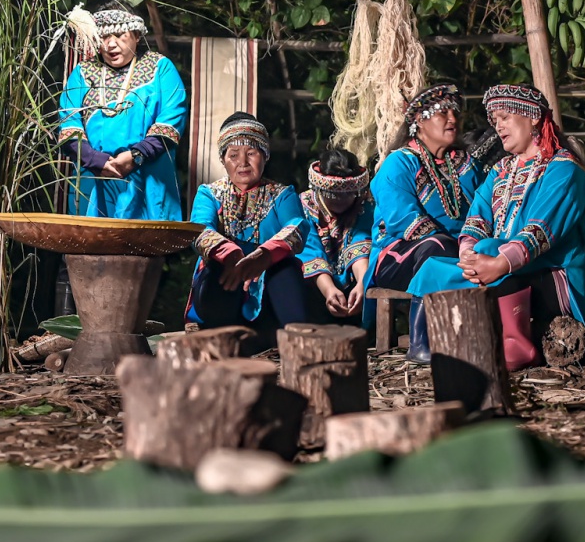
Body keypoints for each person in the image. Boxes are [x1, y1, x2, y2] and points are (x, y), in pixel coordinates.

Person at [408, 84, 585, 371]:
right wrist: (468, 253)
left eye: (504, 118)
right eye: (495, 120)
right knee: (434, 265)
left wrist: (498, 262)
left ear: (533, 116)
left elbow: (539, 233)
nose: (498, 127)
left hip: (555, 277)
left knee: (489, 248)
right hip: (503, 266)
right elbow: (477, 218)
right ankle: (423, 346)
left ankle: (518, 346)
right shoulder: (501, 171)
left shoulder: (564, 169)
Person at [367, 83, 493, 360]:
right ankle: (421, 340)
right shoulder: (398, 164)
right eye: (442, 113)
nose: (452, 119)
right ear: (419, 121)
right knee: (435, 247)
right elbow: (403, 221)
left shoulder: (466, 164)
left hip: (459, 249)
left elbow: (484, 210)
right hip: (399, 256)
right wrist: (459, 245)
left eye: (454, 112)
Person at [57, 2, 188, 222]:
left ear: (136, 35)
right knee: (90, 248)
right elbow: (69, 124)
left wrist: (135, 156)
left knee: (144, 249)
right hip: (95, 176)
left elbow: (171, 121)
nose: (110, 44)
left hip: (147, 176)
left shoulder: (160, 68)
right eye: (104, 37)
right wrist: (94, 159)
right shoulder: (83, 72)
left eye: (119, 34)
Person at [189, 113, 308, 337]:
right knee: (216, 271)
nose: (243, 163)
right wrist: (230, 254)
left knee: (285, 270)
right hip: (225, 285)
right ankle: (222, 336)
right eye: (233, 155)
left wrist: (265, 255)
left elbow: (298, 227)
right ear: (223, 160)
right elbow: (200, 229)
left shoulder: (282, 194)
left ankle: (296, 340)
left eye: (251, 153)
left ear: (265, 156)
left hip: (270, 292)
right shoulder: (209, 194)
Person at [296, 148, 374, 323]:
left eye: (348, 193)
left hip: (356, 284)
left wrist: (363, 283)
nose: (341, 199)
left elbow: (362, 241)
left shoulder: (364, 206)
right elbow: (309, 249)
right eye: (333, 194)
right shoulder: (302, 207)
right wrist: (329, 290)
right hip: (314, 285)